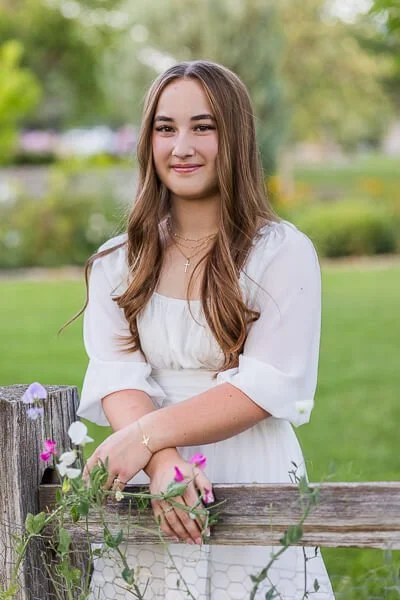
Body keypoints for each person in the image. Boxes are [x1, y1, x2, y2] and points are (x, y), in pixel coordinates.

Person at [77, 60, 335, 599]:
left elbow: (265, 386)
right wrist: (165, 464)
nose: (182, 146)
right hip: (151, 476)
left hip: (250, 465)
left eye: (203, 126)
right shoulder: (115, 261)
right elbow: (117, 374)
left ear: (235, 135)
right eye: (165, 128)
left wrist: (144, 439)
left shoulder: (282, 253)